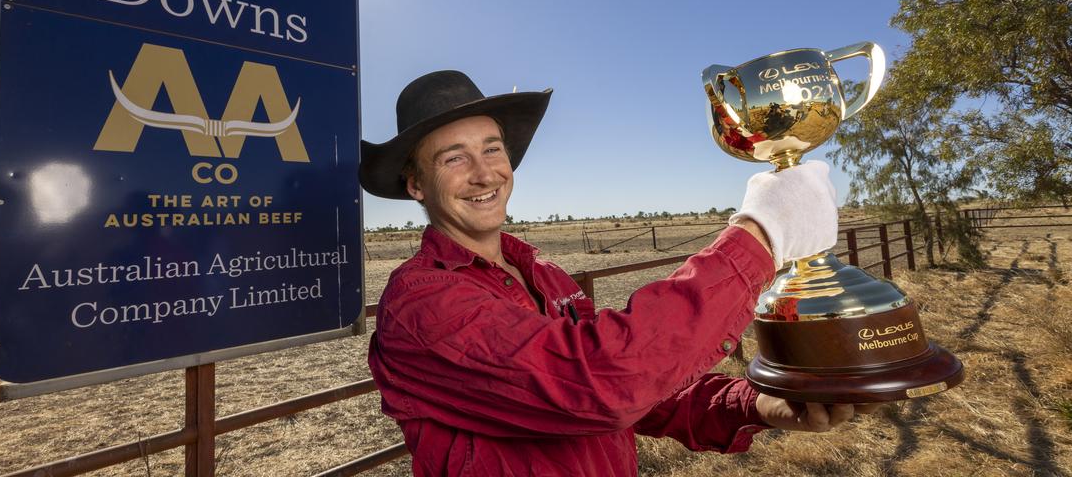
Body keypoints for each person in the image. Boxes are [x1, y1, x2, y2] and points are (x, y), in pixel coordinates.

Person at [361, 70, 874, 476]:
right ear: (416, 185)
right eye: (454, 158)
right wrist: (759, 238)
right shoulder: (422, 302)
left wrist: (755, 404)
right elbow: (599, 382)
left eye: (492, 148)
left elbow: (645, 396)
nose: (483, 172)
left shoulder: (542, 273)